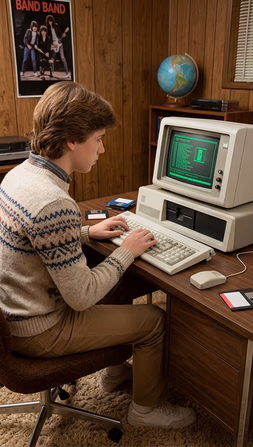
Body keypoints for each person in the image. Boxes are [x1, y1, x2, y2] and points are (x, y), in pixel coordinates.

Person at [0, 82, 196, 428]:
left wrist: (86, 232)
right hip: (39, 329)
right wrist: (127, 252)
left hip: (14, 310)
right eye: (99, 138)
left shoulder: (19, 175)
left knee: (119, 290)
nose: (102, 149)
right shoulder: (53, 201)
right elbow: (81, 296)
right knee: (154, 319)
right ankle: (145, 410)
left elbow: (29, 240)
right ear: (72, 141)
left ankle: (114, 375)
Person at [45, 14, 70, 79]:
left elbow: (59, 33)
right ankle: (52, 72)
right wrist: (53, 43)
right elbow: (48, 39)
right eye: (49, 21)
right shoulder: (47, 29)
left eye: (51, 21)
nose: (50, 22)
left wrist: (63, 35)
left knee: (63, 58)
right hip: (53, 45)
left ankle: (67, 73)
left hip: (59, 43)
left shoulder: (56, 26)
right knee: (52, 58)